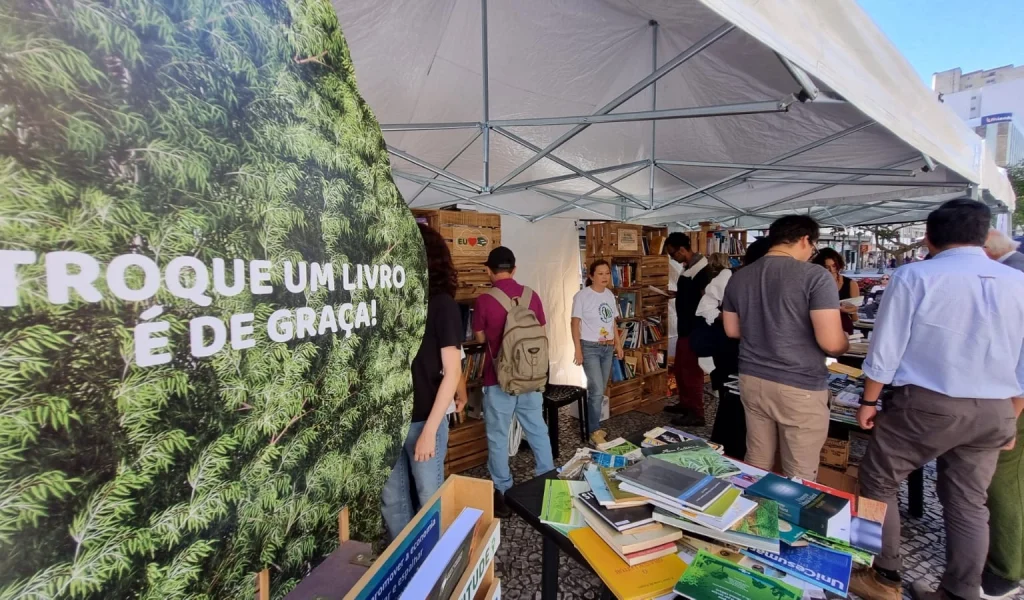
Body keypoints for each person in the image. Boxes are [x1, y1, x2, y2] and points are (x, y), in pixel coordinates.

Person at [851, 199, 1024, 600]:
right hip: (996, 408)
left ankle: (884, 576)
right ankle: (961, 591)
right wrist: (1011, 417)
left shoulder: (915, 276)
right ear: (984, 237)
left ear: (928, 238)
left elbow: (886, 348)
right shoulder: (1017, 282)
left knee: (877, 480)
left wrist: (868, 402)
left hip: (928, 404)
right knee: (969, 501)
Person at [721, 215, 848, 480]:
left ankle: (753, 516)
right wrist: (844, 341)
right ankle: (791, 520)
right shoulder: (815, 276)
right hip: (799, 384)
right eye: (813, 247)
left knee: (756, 458)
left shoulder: (740, 277)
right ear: (805, 240)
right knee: (799, 471)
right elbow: (832, 343)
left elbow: (732, 330)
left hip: (752, 379)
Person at [381, 224, 465, 540]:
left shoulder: (442, 305)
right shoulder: (391, 302)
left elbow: (452, 372)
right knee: (393, 502)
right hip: (390, 418)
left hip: (423, 420)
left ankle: (433, 566)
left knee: (430, 498)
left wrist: (430, 430)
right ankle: (404, 567)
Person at [473, 246, 555, 518]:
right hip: (531, 378)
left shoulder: (484, 300)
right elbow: (542, 334)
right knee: (537, 429)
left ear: (488, 270)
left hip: (499, 380)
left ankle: (504, 490)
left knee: (498, 436)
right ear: (515, 268)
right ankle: (547, 477)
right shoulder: (532, 296)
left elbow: (481, 341)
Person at [982, 229, 1024, 600]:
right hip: (1006, 396)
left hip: (1012, 399)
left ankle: (1004, 571)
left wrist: (1012, 415)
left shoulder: (1015, 277)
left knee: (1002, 481)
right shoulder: (1011, 274)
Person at [572, 260, 625, 445]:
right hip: (590, 347)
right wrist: (578, 350)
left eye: (607, 273)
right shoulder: (582, 296)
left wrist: (618, 345)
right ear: (591, 276)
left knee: (600, 388)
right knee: (596, 389)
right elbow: (575, 323)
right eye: (600, 273)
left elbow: (612, 322)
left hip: (608, 347)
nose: (604, 277)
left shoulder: (609, 295)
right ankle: (593, 430)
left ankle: (593, 424)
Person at [663, 232, 710, 427]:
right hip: (686, 327)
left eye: (673, 254)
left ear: (682, 249)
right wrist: (678, 294)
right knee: (682, 371)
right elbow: (691, 295)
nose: (673, 258)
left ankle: (696, 413)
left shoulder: (702, 271)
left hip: (694, 329)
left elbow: (706, 299)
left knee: (691, 373)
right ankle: (685, 404)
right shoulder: (689, 268)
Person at [812, 248, 860, 334]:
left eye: (834, 266)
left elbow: (855, 316)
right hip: (820, 325)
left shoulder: (850, 284)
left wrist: (850, 310)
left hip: (843, 324)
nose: (831, 270)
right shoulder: (814, 284)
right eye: (827, 267)